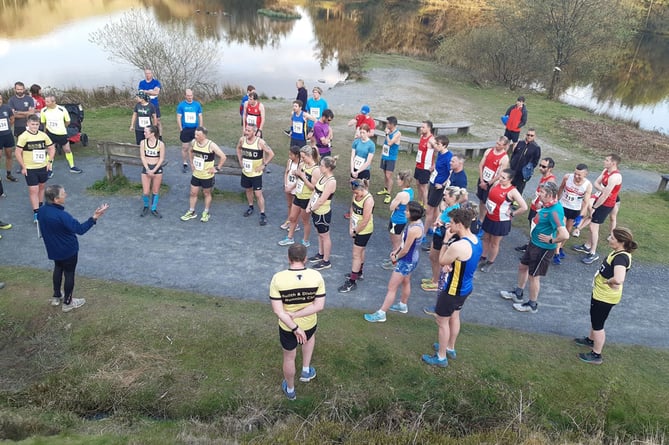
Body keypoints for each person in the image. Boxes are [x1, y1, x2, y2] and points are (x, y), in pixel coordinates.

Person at [421, 206, 482, 367]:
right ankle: (450, 347)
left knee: (442, 322)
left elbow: (442, 261)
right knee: (455, 317)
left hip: (452, 290)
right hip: (466, 288)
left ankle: (441, 357)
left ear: (460, 225)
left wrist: (446, 241)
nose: (449, 226)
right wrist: (453, 264)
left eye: (452, 223)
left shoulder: (457, 246)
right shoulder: (476, 240)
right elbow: (464, 262)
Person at [500, 181, 569, 313]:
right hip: (534, 243)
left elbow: (564, 234)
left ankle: (532, 304)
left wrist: (551, 240)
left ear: (549, 194)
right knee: (522, 266)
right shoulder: (549, 205)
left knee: (533, 275)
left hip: (542, 248)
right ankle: (518, 293)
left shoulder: (554, 211)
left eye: (542, 192)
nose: (539, 194)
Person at [37, 184, 109, 312]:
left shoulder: (41, 210)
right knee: (69, 274)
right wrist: (94, 217)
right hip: (68, 250)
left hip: (53, 248)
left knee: (58, 268)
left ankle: (56, 296)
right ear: (55, 199)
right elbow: (80, 230)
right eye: (63, 194)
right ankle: (68, 302)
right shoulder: (62, 216)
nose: (66, 195)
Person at [270, 243, 326, 400]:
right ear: (305, 259)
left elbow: (278, 311)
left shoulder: (278, 278)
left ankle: (290, 389)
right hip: (309, 324)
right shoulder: (316, 276)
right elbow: (319, 306)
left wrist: (293, 324)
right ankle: (306, 370)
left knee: (289, 357)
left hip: (287, 326)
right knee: (309, 339)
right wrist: (298, 317)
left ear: (288, 258)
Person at [574, 227, 637, 365]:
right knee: (595, 319)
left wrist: (609, 281)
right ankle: (591, 340)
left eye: (612, 238)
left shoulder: (621, 258)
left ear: (621, 242)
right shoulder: (618, 252)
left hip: (605, 297)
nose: (609, 239)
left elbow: (619, 279)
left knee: (598, 325)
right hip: (601, 293)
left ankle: (596, 354)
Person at [364, 201, 424, 322]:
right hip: (412, 259)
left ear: (412, 214)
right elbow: (404, 244)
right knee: (406, 281)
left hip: (406, 261)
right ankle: (403, 305)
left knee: (392, 287)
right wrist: (396, 250)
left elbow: (406, 249)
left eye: (407, 210)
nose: (405, 212)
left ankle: (381, 313)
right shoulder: (417, 224)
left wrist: (396, 258)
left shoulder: (413, 229)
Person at [572, 154, 623, 265]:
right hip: (600, 199)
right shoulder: (606, 171)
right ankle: (587, 246)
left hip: (606, 204)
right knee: (592, 223)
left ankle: (593, 252)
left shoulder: (615, 177)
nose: (604, 161)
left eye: (607, 160)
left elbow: (605, 196)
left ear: (613, 163)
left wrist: (595, 207)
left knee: (593, 227)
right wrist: (603, 190)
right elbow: (596, 183)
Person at [480, 168, 527, 272]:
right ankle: (482, 257)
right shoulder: (496, 183)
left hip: (500, 220)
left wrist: (512, 213)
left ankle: (490, 262)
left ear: (510, 180)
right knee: (486, 238)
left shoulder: (513, 191)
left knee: (494, 243)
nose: (500, 179)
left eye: (503, 178)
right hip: (489, 216)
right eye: (500, 176)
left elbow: (524, 207)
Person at [421, 186, 467, 291]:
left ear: (452, 197)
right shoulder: (451, 206)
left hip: (442, 237)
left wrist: (440, 223)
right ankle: (435, 278)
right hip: (438, 235)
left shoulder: (453, 210)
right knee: (433, 257)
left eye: (446, 195)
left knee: (436, 258)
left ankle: (437, 282)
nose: (444, 196)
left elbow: (448, 224)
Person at [179, 127, 227, 223]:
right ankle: (191, 211)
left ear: (204, 135)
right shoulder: (194, 142)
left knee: (206, 193)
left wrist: (216, 168)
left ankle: (206, 212)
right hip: (196, 174)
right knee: (193, 193)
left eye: (198, 135)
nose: (195, 137)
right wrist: (191, 163)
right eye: (195, 134)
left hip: (207, 175)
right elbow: (190, 151)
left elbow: (223, 157)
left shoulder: (211, 145)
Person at [15, 114, 55, 223]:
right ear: (27, 124)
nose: (35, 126)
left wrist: (49, 161)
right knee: (33, 190)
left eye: (37, 124)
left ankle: (40, 206)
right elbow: (18, 152)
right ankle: (36, 212)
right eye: (32, 124)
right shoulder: (23, 136)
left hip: (42, 167)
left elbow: (51, 148)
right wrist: (23, 166)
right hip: (30, 168)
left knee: (42, 187)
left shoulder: (43, 135)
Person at [279, 145, 320, 248]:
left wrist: (302, 176)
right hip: (298, 195)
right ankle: (289, 238)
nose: (302, 159)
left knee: (305, 220)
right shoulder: (302, 165)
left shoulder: (316, 170)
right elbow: (299, 180)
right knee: (292, 217)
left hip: (306, 198)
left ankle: (305, 240)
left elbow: (313, 187)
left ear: (309, 156)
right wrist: (297, 177)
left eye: (303, 157)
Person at [514, 157, 557, 254]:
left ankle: (532, 250)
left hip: (539, 210)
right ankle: (530, 246)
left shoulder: (550, 181)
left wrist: (542, 207)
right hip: (534, 207)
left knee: (536, 229)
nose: (540, 168)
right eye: (540, 165)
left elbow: (552, 198)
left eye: (543, 166)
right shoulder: (544, 177)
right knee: (532, 227)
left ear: (550, 168)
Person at [338, 179, 374, 293]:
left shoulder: (368, 200)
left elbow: (365, 220)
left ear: (362, 189)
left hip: (364, 230)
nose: (355, 194)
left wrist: (355, 231)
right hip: (356, 228)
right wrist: (351, 227)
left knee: (356, 254)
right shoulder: (356, 195)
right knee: (360, 251)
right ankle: (359, 273)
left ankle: (352, 282)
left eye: (357, 193)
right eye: (354, 192)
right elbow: (352, 209)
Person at [236, 123, 274, 226]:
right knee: (248, 190)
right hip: (246, 172)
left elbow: (271, 153)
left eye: (248, 131)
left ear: (254, 132)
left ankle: (262, 213)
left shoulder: (260, 142)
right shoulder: (242, 140)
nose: (246, 132)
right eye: (246, 130)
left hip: (256, 174)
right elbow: (238, 148)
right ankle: (251, 206)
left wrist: (264, 165)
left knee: (258, 194)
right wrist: (240, 161)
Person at [306, 156, 338, 271]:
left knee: (325, 235)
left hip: (322, 212)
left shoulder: (331, 182)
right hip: (316, 210)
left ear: (328, 168)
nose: (320, 167)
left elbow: (321, 200)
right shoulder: (322, 177)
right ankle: (320, 253)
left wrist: (311, 208)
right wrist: (309, 205)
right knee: (319, 233)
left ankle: (326, 260)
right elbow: (315, 191)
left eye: (322, 166)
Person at [555, 164, 592, 262]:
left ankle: (560, 247)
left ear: (585, 174)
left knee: (568, 229)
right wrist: (557, 199)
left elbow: (586, 202)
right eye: (575, 173)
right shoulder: (567, 177)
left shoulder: (587, 185)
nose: (576, 176)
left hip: (575, 209)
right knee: (561, 228)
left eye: (579, 175)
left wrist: (581, 215)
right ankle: (556, 252)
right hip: (563, 206)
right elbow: (561, 187)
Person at [422, 135, 452, 249]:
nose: (435, 146)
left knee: (429, 209)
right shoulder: (440, 153)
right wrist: (433, 167)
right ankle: (434, 227)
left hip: (438, 187)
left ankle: (424, 233)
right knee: (434, 208)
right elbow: (439, 165)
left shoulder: (449, 157)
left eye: (438, 144)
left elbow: (450, 173)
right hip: (433, 182)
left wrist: (443, 184)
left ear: (444, 145)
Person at [41, 95, 83, 175]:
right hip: (50, 134)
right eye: (45, 101)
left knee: (67, 149)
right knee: (50, 152)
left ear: (54, 102)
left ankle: (72, 166)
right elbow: (43, 122)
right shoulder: (43, 110)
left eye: (47, 102)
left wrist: (62, 127)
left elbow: (67, 121)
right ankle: (49, 169)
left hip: (62, 133)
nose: (45, 103)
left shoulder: (62, 109)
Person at [381, 170, 414, 270]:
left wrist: (394, 204)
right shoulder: (410, 191)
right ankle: (394, 258)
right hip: (402, 219)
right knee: (398, 240)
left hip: (396, 220)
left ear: (403, 181)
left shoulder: (401, 195)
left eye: (398, 179)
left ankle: (394, 261)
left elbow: (391, 207)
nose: (397, 181)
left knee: (396, 242)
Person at [476, 136, 510, 223]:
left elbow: (500, 174)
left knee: (487, 202)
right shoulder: (489, 151)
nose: (497, 146)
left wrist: (488, 184)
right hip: (482, 179)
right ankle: (480, 218)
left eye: (500, 144)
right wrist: (482, 180)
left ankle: (484, 220)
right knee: (481, 200)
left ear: (504, 146)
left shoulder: (504, 158)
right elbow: (481, 165)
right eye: (497, 143)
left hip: (491, 182)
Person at [8, 82, 34, 179]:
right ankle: (22, 165)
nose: (19, 91)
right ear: (14, 89)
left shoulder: (29, 99)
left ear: (24, 89)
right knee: (20, 146)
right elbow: (13, 115)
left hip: (29, 125)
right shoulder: (11, 100)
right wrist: (25, 113)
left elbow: (31, 112)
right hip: (18, 126)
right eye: (18, 89)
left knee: (31, 144)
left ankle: (32, 163)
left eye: (21, 89)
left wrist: (19, 112)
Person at [139, 125, 165, 218]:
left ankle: (153, 209)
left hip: (157, 168)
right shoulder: (143, 143)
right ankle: (146, 206)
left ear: (152, 133)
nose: (144, 133)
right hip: (147, 167)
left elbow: (161, 158)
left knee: (155, 190)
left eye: (146, 132)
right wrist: (147, 169)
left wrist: (154, 170)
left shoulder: (160, 144)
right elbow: (142, 156)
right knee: (146, 191)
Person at [176, 89, 204, 173]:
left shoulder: (197, 104)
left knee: (197, 146)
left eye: (191, 95)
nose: (190, 97)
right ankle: (185, 162)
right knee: (185, 147)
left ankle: (196, 162)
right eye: (188, 96)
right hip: (185, 129)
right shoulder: (181, 105)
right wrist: (181, 129)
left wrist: (201, 128)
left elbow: (200, 116)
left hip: (195, 129)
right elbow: (178, 117)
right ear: (185, 96)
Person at [376, 116, 402, 204]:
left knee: (388, 175)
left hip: (391, 158)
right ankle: (385, 188)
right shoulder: (389, 131)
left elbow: (390, 143)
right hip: (385, 156)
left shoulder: (397, 133)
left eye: (388, 123)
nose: (386, 125)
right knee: (384, 173)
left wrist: (387, 134)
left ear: (392, 124)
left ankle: (389, 194)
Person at [509, 129, 541, 194]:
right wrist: (512, 162)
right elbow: (514, 153)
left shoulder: (536, 147)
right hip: (514, 169)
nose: (529, 136)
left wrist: (528, 169)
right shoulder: (520, 143)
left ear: (534, 136)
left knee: (519, 188)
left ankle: (515, 202)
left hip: (523, 172)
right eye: (528, 135)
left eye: (531, 135)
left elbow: (535, 161)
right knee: (509, 185)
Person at [414, 121, 437, 207]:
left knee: (424, 187)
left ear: (429, 128)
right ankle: (419, 202)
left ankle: (425, 205)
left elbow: (437, 151)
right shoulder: (422, 136)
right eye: (421, 127)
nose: (421, 129)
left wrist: (433, 164)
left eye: (423, 127)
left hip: (425, 167)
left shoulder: (432, 140)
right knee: (418, 184)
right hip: (418, 164)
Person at [280, 145, 302, 231]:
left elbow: (300, 179)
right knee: (289, 205)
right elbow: (286, 173)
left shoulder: (301, 164)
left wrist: (291, 187)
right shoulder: (289, 161)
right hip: (288, 186)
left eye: (291, 155)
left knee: (295, 206)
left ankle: (295, 223)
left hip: (295, 187)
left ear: (296, 155)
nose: (289, 156)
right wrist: (286, 185)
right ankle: (289, 220)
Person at [138, 69, 162, 137]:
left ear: (151, 74)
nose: (147, 75)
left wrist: (146, 91)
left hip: (154, 104)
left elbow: (156, 92)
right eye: (146, 73)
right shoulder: (142, 83)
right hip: (145, 104)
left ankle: (159, 136)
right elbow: (141, 94)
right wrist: (151, 91)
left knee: (158, 121)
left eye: (149, 73)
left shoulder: (156, 82)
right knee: (147, 120)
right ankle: (147, 135)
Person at [0, 94, 18, 186]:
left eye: (0, 99)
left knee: (9, 155)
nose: (0, 100)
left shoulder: (7, 108)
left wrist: (8, 128)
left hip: (7, 135)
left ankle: (8, 174)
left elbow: (12, 119)